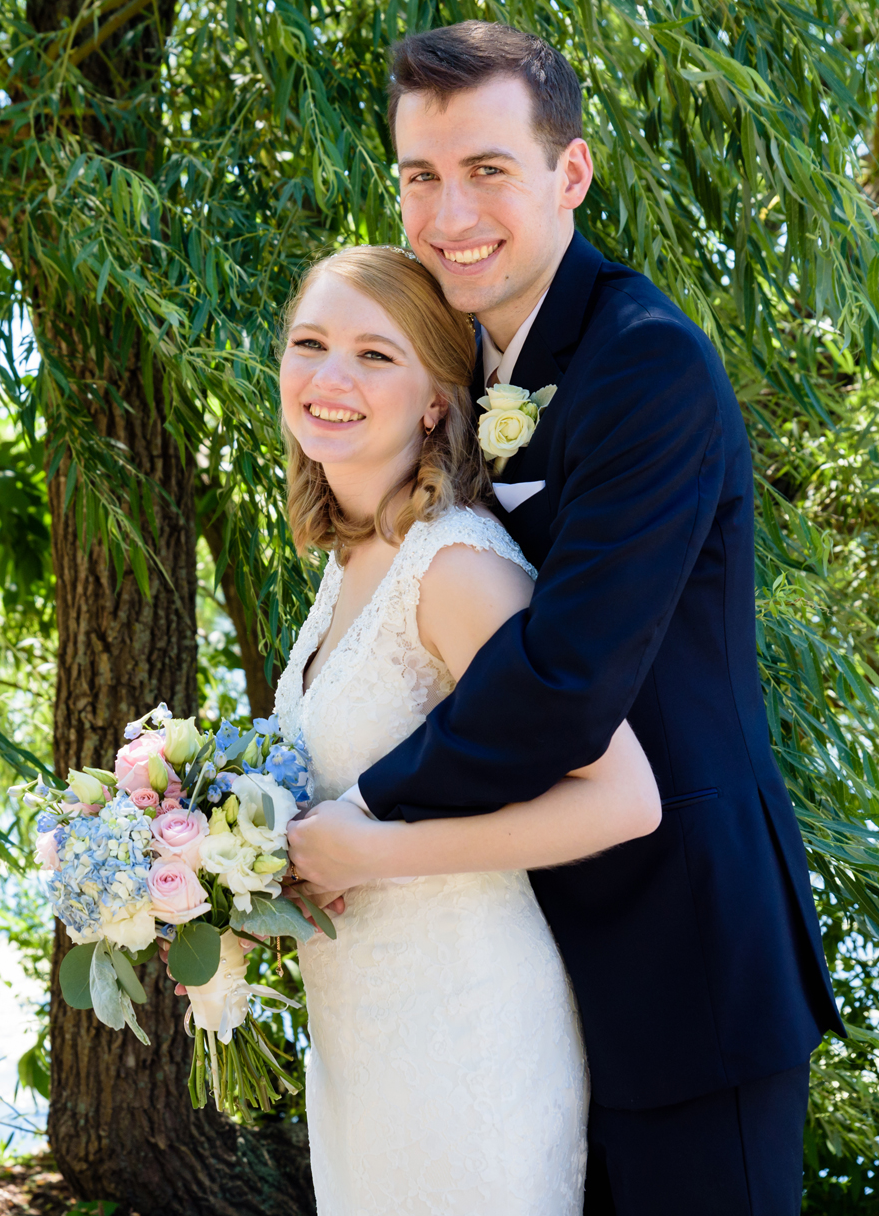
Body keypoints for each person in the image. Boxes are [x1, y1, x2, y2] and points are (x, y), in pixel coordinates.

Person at [286, 21, 843, 1215]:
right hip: (519, 982)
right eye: (418, 178)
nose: (446, 215)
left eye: (485, 170)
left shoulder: (647, 366)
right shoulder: (455, 373)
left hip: (680, 958)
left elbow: (566, 676)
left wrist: (363, 818)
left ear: (568, 175)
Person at [271, 244, 663, 1215]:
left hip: (466, 1030)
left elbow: (622, 798)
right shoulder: (349, 561)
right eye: (310, 344)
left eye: (375, 355)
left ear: (436, 399)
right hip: (362, 1042)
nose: (329, 378)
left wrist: (367, 857)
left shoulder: (454, 567)